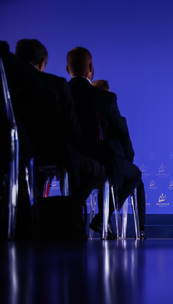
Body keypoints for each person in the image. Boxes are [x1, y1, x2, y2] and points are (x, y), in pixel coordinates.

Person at [13, 39, 106, 204]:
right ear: (42, 64)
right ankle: (67, 214)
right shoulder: (56, 85)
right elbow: (74, 132)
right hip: (52, 156)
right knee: (98, 170)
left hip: (13, 157)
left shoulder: (8, 85)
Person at [66, 47, 141, 239]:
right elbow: (122, 134)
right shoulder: (105, 97)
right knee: (135, 174)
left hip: (67, 158)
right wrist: (127, 160)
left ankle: (69, 218)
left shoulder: (59, 92)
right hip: (102, 162)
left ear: (68, 69)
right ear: (91, 67)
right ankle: (102, 217)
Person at [91, 79, 146, 240]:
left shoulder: (84, 116)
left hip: (92, 166)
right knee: (136, 176)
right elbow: (127, 147)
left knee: (110, 183)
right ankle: (140, 230)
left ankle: (105, 223)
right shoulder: (116, 118)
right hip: (112, 164)